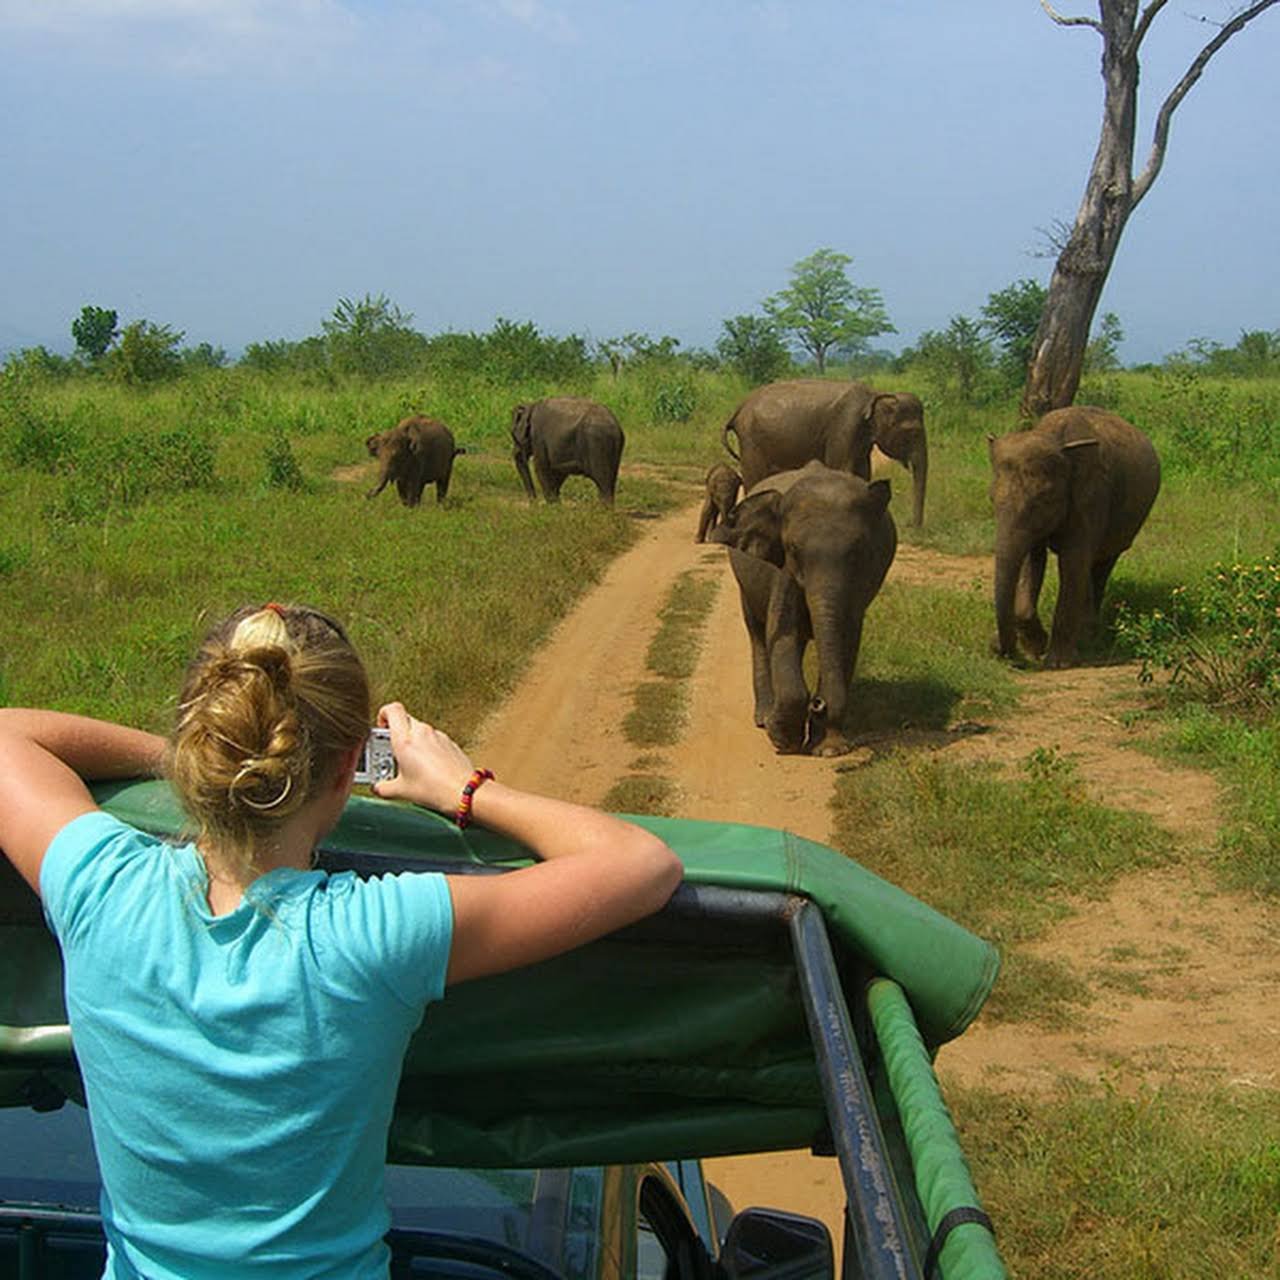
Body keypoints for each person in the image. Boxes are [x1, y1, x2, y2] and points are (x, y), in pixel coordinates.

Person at [0, 601, 683, 1279]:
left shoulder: (99, 888)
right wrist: (462, 788)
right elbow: (642, 866)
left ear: (201, 741)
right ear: (348, 768)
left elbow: (7, 736)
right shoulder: (372, 936)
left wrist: (202, 761)